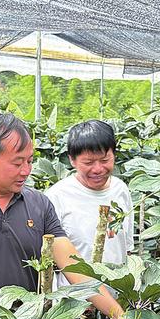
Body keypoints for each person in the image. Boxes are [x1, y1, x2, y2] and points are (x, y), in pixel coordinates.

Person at [0, 113, 125, 319]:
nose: (26, 171)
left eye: (29, 161)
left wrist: (120, 316)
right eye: (18, 163)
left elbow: (75, 269)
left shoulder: (39, 204)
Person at [45, 120, 133, 285]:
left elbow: (126, 249)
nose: (98, 169)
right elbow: (49, 259)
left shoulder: (120, 190)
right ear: (72, 160)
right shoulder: (56, 197)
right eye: (88, 162)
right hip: (75, 301)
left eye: (105, 160)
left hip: (118, 297)